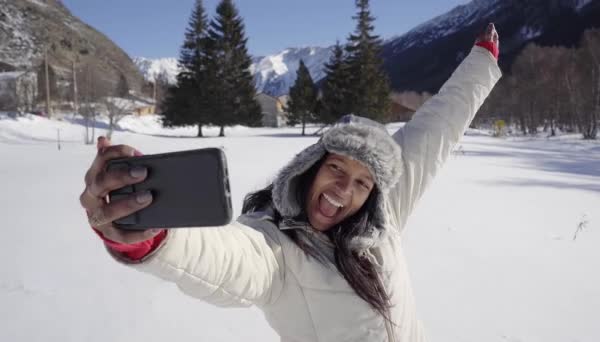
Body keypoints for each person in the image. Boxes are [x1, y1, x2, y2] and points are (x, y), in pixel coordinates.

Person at [80, 23, 501, 342]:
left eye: (361, 181)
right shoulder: (277, 243)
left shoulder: (383, 210)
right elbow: (228, 258)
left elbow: (438, 125)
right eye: (336, 169)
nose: (343, 190)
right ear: (312, 166)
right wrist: (148, 237)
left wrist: (482, 60)